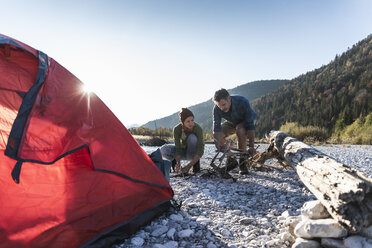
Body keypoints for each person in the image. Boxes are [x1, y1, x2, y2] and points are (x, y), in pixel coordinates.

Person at [212, 88, 257, 174]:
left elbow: (250, 125)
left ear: (229, 98)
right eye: (219, 106)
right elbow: (216, 128)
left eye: (223, 104)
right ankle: (231, 158)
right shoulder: (217, 108)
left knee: (240, 129)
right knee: (219, 135)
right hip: (232, 122)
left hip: (247, 120)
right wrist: (217, 143)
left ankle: (242, 162)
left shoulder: (242, 101)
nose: (221, 108)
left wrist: (251, 146)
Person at [160, 108, 204, 174]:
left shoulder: (198, 129)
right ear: (183, 122)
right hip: (182, 152)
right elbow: (178, 147)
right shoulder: (177, 129)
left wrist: (188, 166)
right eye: (188, 121)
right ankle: (174, 165)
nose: (191, 123)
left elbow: (200, 150)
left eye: (192, 120)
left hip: (192, 154)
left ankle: (195, 164)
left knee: (192, 138)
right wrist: (178, 163)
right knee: (163, 149)